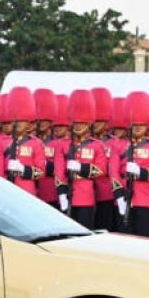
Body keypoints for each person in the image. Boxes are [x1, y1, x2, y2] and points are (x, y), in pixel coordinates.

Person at [113, 92, 149, 237]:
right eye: (134, 124)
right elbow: (113, 172)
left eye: (141, 124)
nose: (137, 127)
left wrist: (140, 172)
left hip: (144, 200)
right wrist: (118, 195)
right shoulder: (119, 145)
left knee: (144, 239)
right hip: (123, 198)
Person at [61, 89, 107, 228]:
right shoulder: (63, 145)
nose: (78, 125)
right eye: (76, 122)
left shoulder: (96, 146)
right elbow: (58, 171)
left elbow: (101, 170)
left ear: (88, 124)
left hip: (86, 197)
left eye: (82, 123)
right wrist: (61, 192)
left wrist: (81, 168)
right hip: (67, 195)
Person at [3, 86, 46, 196]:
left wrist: (23, 170)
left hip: (27, 191)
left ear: (28, 124)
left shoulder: (35, 143)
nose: (18, 124)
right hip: (7, 189)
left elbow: (41, 172)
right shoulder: (4, 142)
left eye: (22, 121)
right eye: (15, 121)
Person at [90, 87, 117, 231]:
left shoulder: (113, 143)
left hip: (106, 192)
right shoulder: (84, 143)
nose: (95, 125)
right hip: (86, 192)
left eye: (99, 121)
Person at [35, 89, 61, 208]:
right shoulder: (31, 141)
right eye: (39, 120)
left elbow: (60, 168)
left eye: (44, 119)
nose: (41, 123)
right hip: (34, 192)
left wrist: (44, 165)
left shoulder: (57, 143)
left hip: (51, 193)